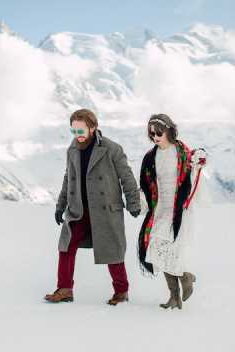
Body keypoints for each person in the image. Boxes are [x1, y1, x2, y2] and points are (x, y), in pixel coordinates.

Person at [45, 109, 141, 305]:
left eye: (80, 131)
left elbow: (127, 178)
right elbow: (68, 179)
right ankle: (64, 289)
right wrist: (60, 205)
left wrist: (133, 202)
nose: (77, 136)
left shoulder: (111, 149)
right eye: (73, 131)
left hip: (105, 210)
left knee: (112, 251)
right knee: (66, 247)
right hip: (78, 209)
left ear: (93, 127)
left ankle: (121, 292)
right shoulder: (72, 150)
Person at [138, 113, 207, 310]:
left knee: (170, 252)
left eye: (158, 132)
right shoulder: (151, 157)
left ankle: (183, 281)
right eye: (151, 133)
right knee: (158, 250)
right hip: (160, 210)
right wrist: (142, 202)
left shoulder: (183, 152)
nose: (155, 136)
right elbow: (146, 183)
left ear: (169, 130)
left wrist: (199, 161)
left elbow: (194, 170)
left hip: (178, 210)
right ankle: (178, 289)